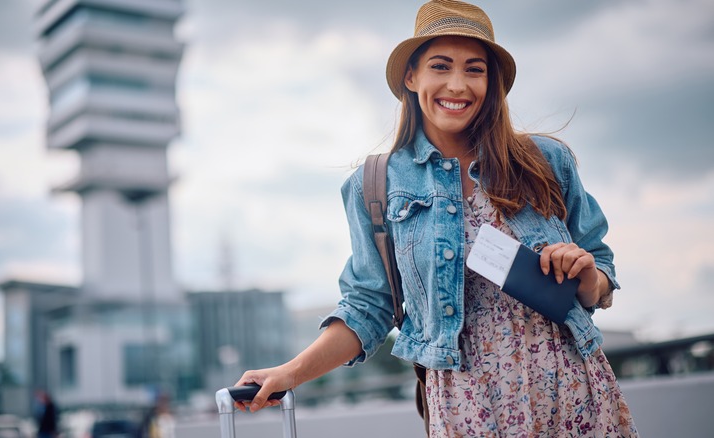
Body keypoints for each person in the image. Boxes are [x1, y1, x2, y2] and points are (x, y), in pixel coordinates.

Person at [236, 1, 639, 436]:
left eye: (475, 69)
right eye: (440, 66)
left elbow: (600, 272)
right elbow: (369, 307)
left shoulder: (546, 161)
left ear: (492, 81)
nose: (458, 85)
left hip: (570, 388)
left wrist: (585, 275)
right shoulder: (375, 185)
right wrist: (290, 373)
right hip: (467, 405)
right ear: (411, 76)